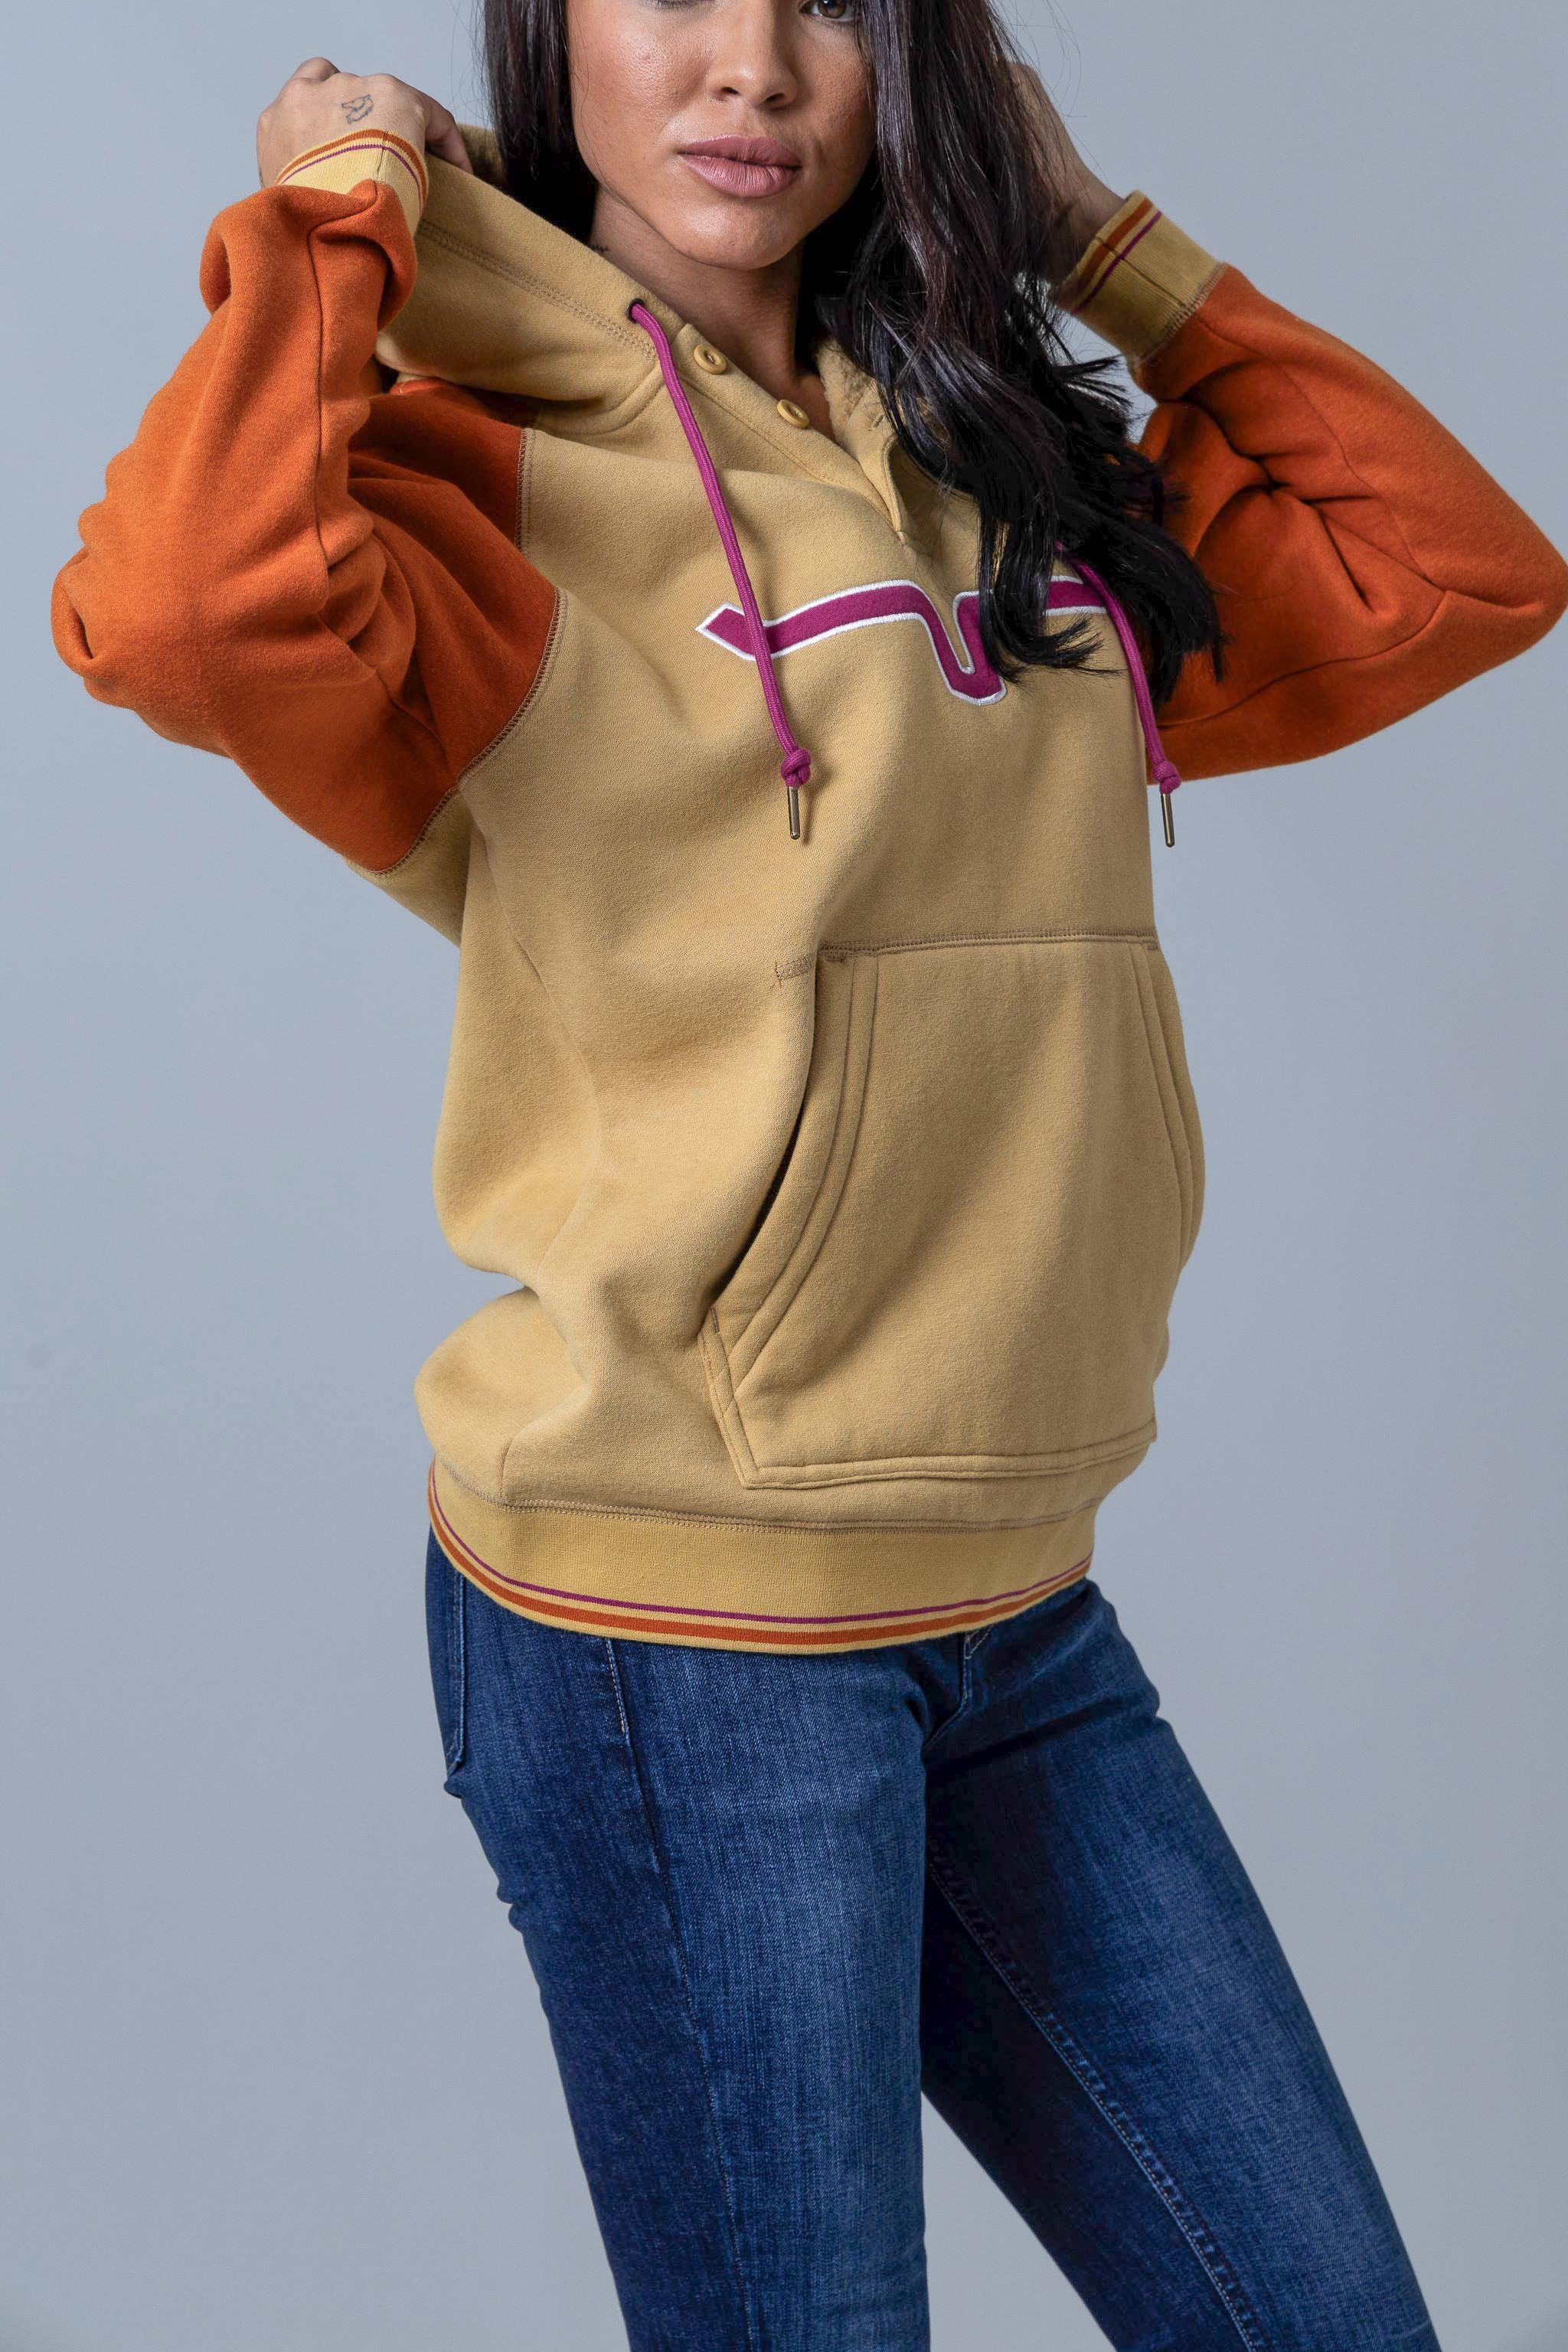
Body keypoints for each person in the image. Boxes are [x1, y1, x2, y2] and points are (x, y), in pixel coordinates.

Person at [50, 0, 1566, 2336]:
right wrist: (342, 221)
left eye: (834, 6)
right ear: (551, 39)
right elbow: (172, 613)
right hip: (680, 1630)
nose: (753, 65)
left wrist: (1086, 233)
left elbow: (1453, 567)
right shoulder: (478, 481)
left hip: (1014, 1602)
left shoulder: (1002, 470)